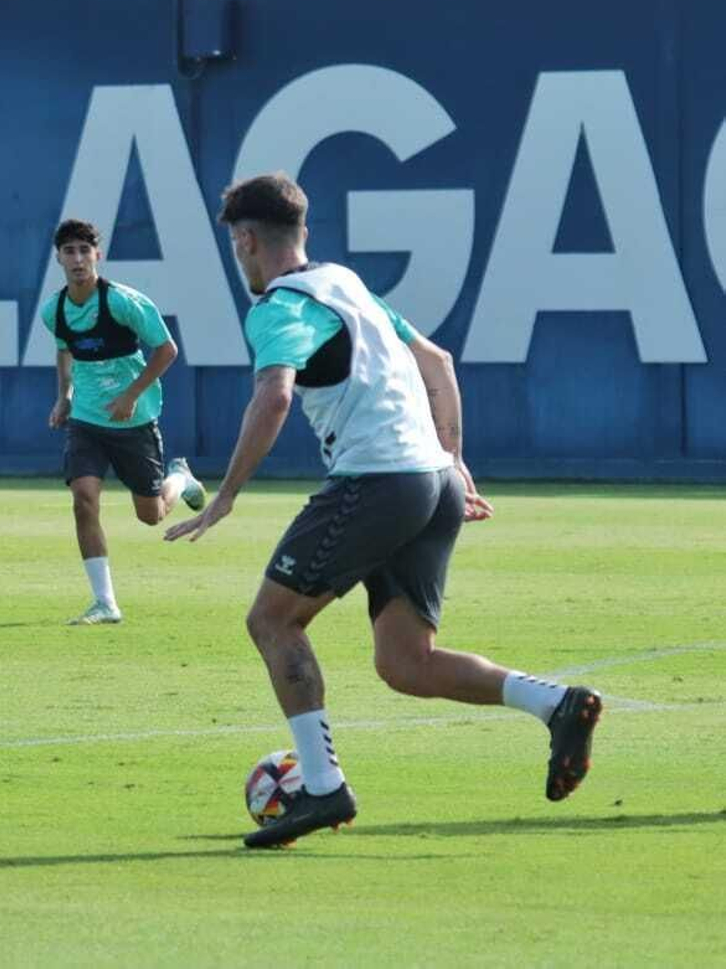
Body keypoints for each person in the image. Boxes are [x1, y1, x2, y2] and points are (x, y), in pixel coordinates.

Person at [165, 172, 602, 849]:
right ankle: (557, 704)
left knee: (272, 621)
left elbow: (274, 397)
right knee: (405, 663)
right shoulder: (344, 282)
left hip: (378, 480)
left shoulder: (278, 307)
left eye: (235, 244)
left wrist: (227, 494)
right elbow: (437, 360)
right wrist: (453, 459)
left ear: (246, 240)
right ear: (302, 232)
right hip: (431, 481)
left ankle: (322, 786)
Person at [40, 219, 206, 626]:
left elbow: (167, 350)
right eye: (69, 251)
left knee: (150, 515)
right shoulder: (54, 311)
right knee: (83, 500)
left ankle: (180, 478)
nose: (77, 259)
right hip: (87, 421)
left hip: (134, 420)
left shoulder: (124, 302)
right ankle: (105, 602)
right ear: (58, 258)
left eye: (85, 250)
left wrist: (131, 395)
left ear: (98, 254)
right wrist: (64, 398)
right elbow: (65, 351)